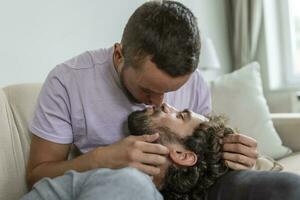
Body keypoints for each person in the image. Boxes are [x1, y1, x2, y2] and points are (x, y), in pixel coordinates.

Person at [24, 1, 260, 199]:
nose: (159, 102)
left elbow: (197, 153)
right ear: (119, 55)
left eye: (174, 90)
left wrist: (232, 156)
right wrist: (101, 159)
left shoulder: (195, 83)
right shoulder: (68, 82)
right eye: (148, 89)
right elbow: (37, 175)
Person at [22, 104, 300, 200]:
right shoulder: (125, 180)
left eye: (180, 115)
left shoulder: (134, 184)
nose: (167, 105)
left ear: (182, 155)